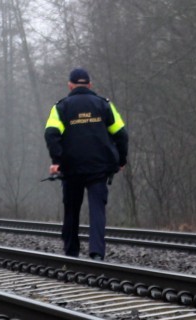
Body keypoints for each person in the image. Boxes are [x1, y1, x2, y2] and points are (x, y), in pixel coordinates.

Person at [44, 68, 129, 261]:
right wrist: (121, 160)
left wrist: (57, 160)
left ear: (70, 85)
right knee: (97, 209)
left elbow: (51, 133)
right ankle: (97, 252)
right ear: (90, 85)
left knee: (71, 208)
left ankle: (71, 251)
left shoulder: (61, 107)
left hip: (71, 168)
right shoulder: (104, 105)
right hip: (99, 168)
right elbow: (121, 134)